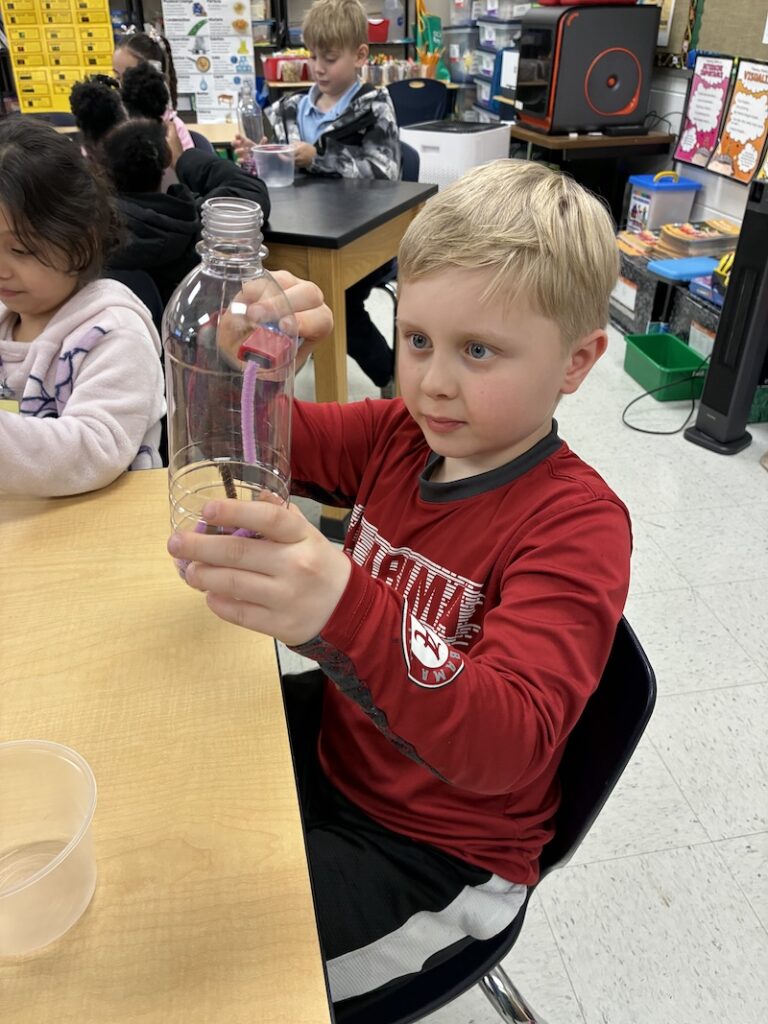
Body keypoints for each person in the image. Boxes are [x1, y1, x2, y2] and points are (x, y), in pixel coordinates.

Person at [166, 159, 632, 1005]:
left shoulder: (577, 527)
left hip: (438, 852)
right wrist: (244, 358)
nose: (432, 382)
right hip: (346, 749)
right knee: (168, 781)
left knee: (204, 976)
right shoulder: (400, 434)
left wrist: (346, 605)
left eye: (478, 351)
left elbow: (508, 744)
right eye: (416, 340)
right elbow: (250, 441)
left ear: (577, 361)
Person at [235, 0, 400, 392]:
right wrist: (254, 156)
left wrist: (317, 157)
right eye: (313, 56)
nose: (319, 67)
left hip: (360, 236)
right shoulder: (289, 110)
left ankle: (392, 377)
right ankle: (271, 381)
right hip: (300, 231)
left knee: (342, 304)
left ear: (360, 56)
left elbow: (386, 170)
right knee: (272, 292)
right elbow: (270, 169)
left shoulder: (375, 106)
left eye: (330, 58)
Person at [0, 117, 164, 496]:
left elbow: (95, 449)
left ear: (82, 240)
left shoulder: (112, 333)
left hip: (101, 522)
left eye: (20, 249)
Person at [71, 75, 271, 304]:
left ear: (91, 160)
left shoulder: (82, 239)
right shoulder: (196, 225)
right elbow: (249, 191)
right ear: (166, 154)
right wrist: (183, 158)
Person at [112, 28, 194, 152]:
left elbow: (186, 164)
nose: (122, 86)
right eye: (117, 77)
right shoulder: (113, 122)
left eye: (131, 77)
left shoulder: (173, 127)